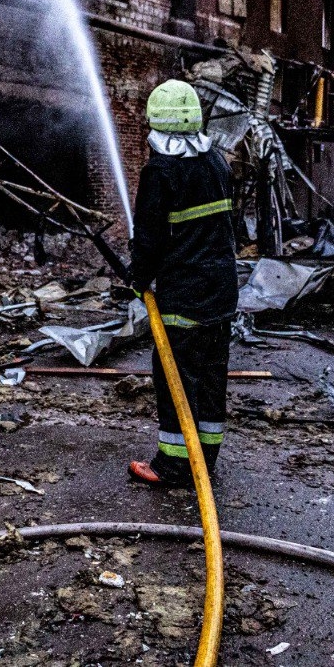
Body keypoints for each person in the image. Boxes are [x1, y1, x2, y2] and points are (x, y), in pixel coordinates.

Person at [128, 79, 238, 487]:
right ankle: (203, 460)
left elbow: (149, 238)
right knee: (211, 378)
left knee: (176, 377)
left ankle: (174, 465)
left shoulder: (161, 171)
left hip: (183, 295)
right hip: (221, 294)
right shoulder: (218, 163)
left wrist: (137, 278)